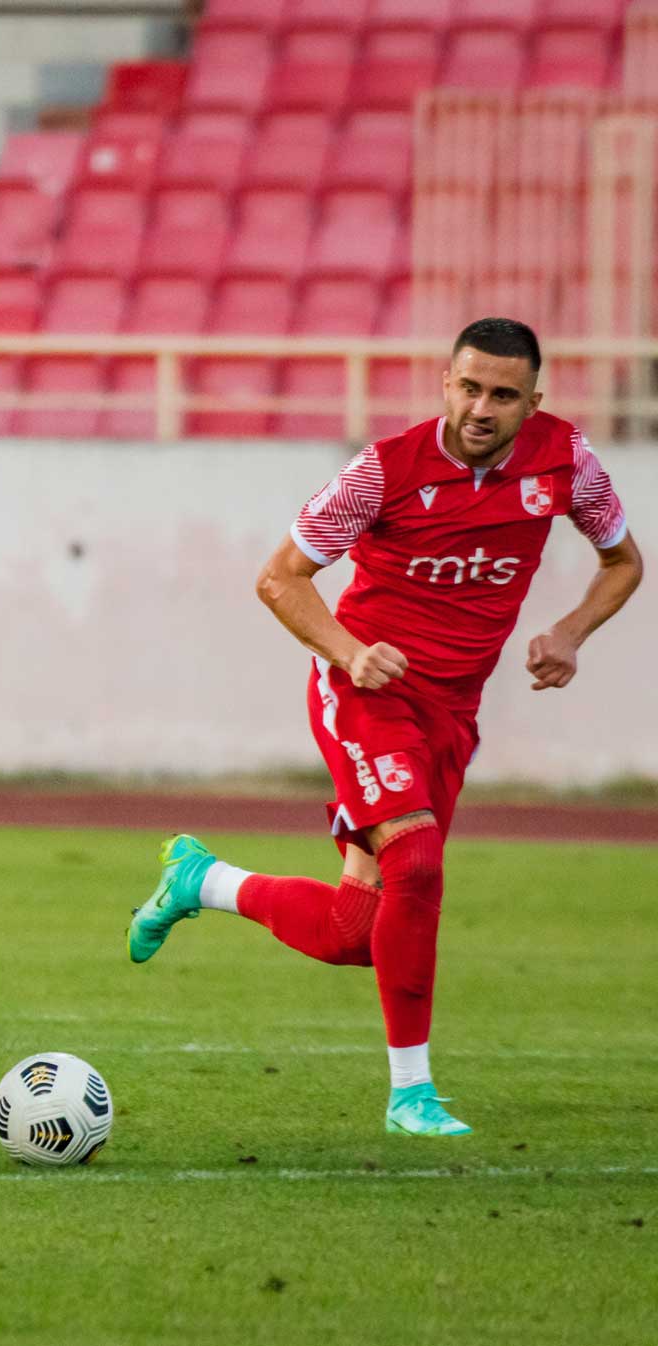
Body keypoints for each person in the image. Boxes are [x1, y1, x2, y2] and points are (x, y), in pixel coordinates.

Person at [128, 318, 639, 1136]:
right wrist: (348, 650)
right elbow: (280, 578)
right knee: (419, 859)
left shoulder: (567, 460)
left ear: (531, 402)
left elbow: (624, 563)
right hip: (366, 692)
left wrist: (570, 633)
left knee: (355, 933)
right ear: (445, 383)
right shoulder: (381, 473)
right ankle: (412, 1094)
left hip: (452, 715)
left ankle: (203, 882)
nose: (482, 408)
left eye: (503, 395)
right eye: (468, 387)